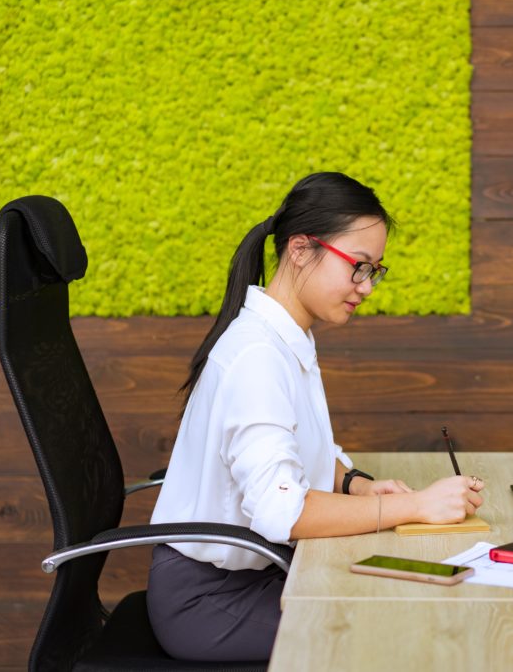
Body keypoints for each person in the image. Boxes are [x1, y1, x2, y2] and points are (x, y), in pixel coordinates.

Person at [146, 172, 485, 662]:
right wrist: (414, 508)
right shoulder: (257, 356)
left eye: (375, 271)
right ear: (301, 250)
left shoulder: (286, 338)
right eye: (359, 267)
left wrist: (360, 487)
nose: (367, 287)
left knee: (410, 605)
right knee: (398, 633)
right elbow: (282, 510)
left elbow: (303, 455)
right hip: (210, 601)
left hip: (259, 573)